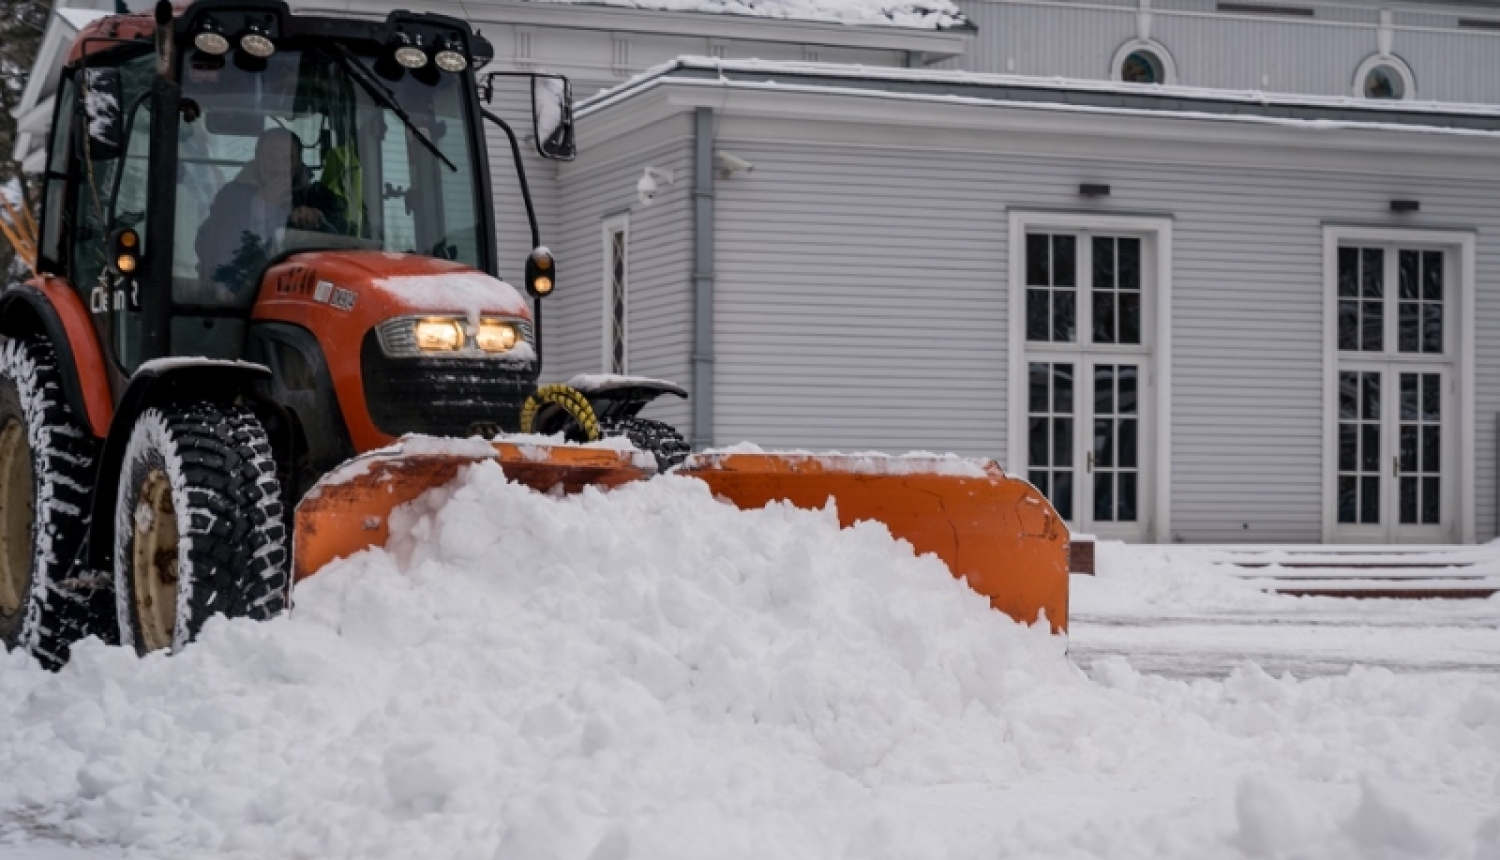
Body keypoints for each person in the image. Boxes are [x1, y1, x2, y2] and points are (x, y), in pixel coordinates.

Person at [194, 127, 346, 303]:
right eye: (272, 158)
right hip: (241, 297)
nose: (279, 167)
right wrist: (260, 208)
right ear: (259, 160)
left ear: (297, 163)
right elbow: (209, 246)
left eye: (287, 159)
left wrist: (319, 222)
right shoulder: (232, 196)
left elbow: (345, 244)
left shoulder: (318, 197)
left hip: (303, 297)